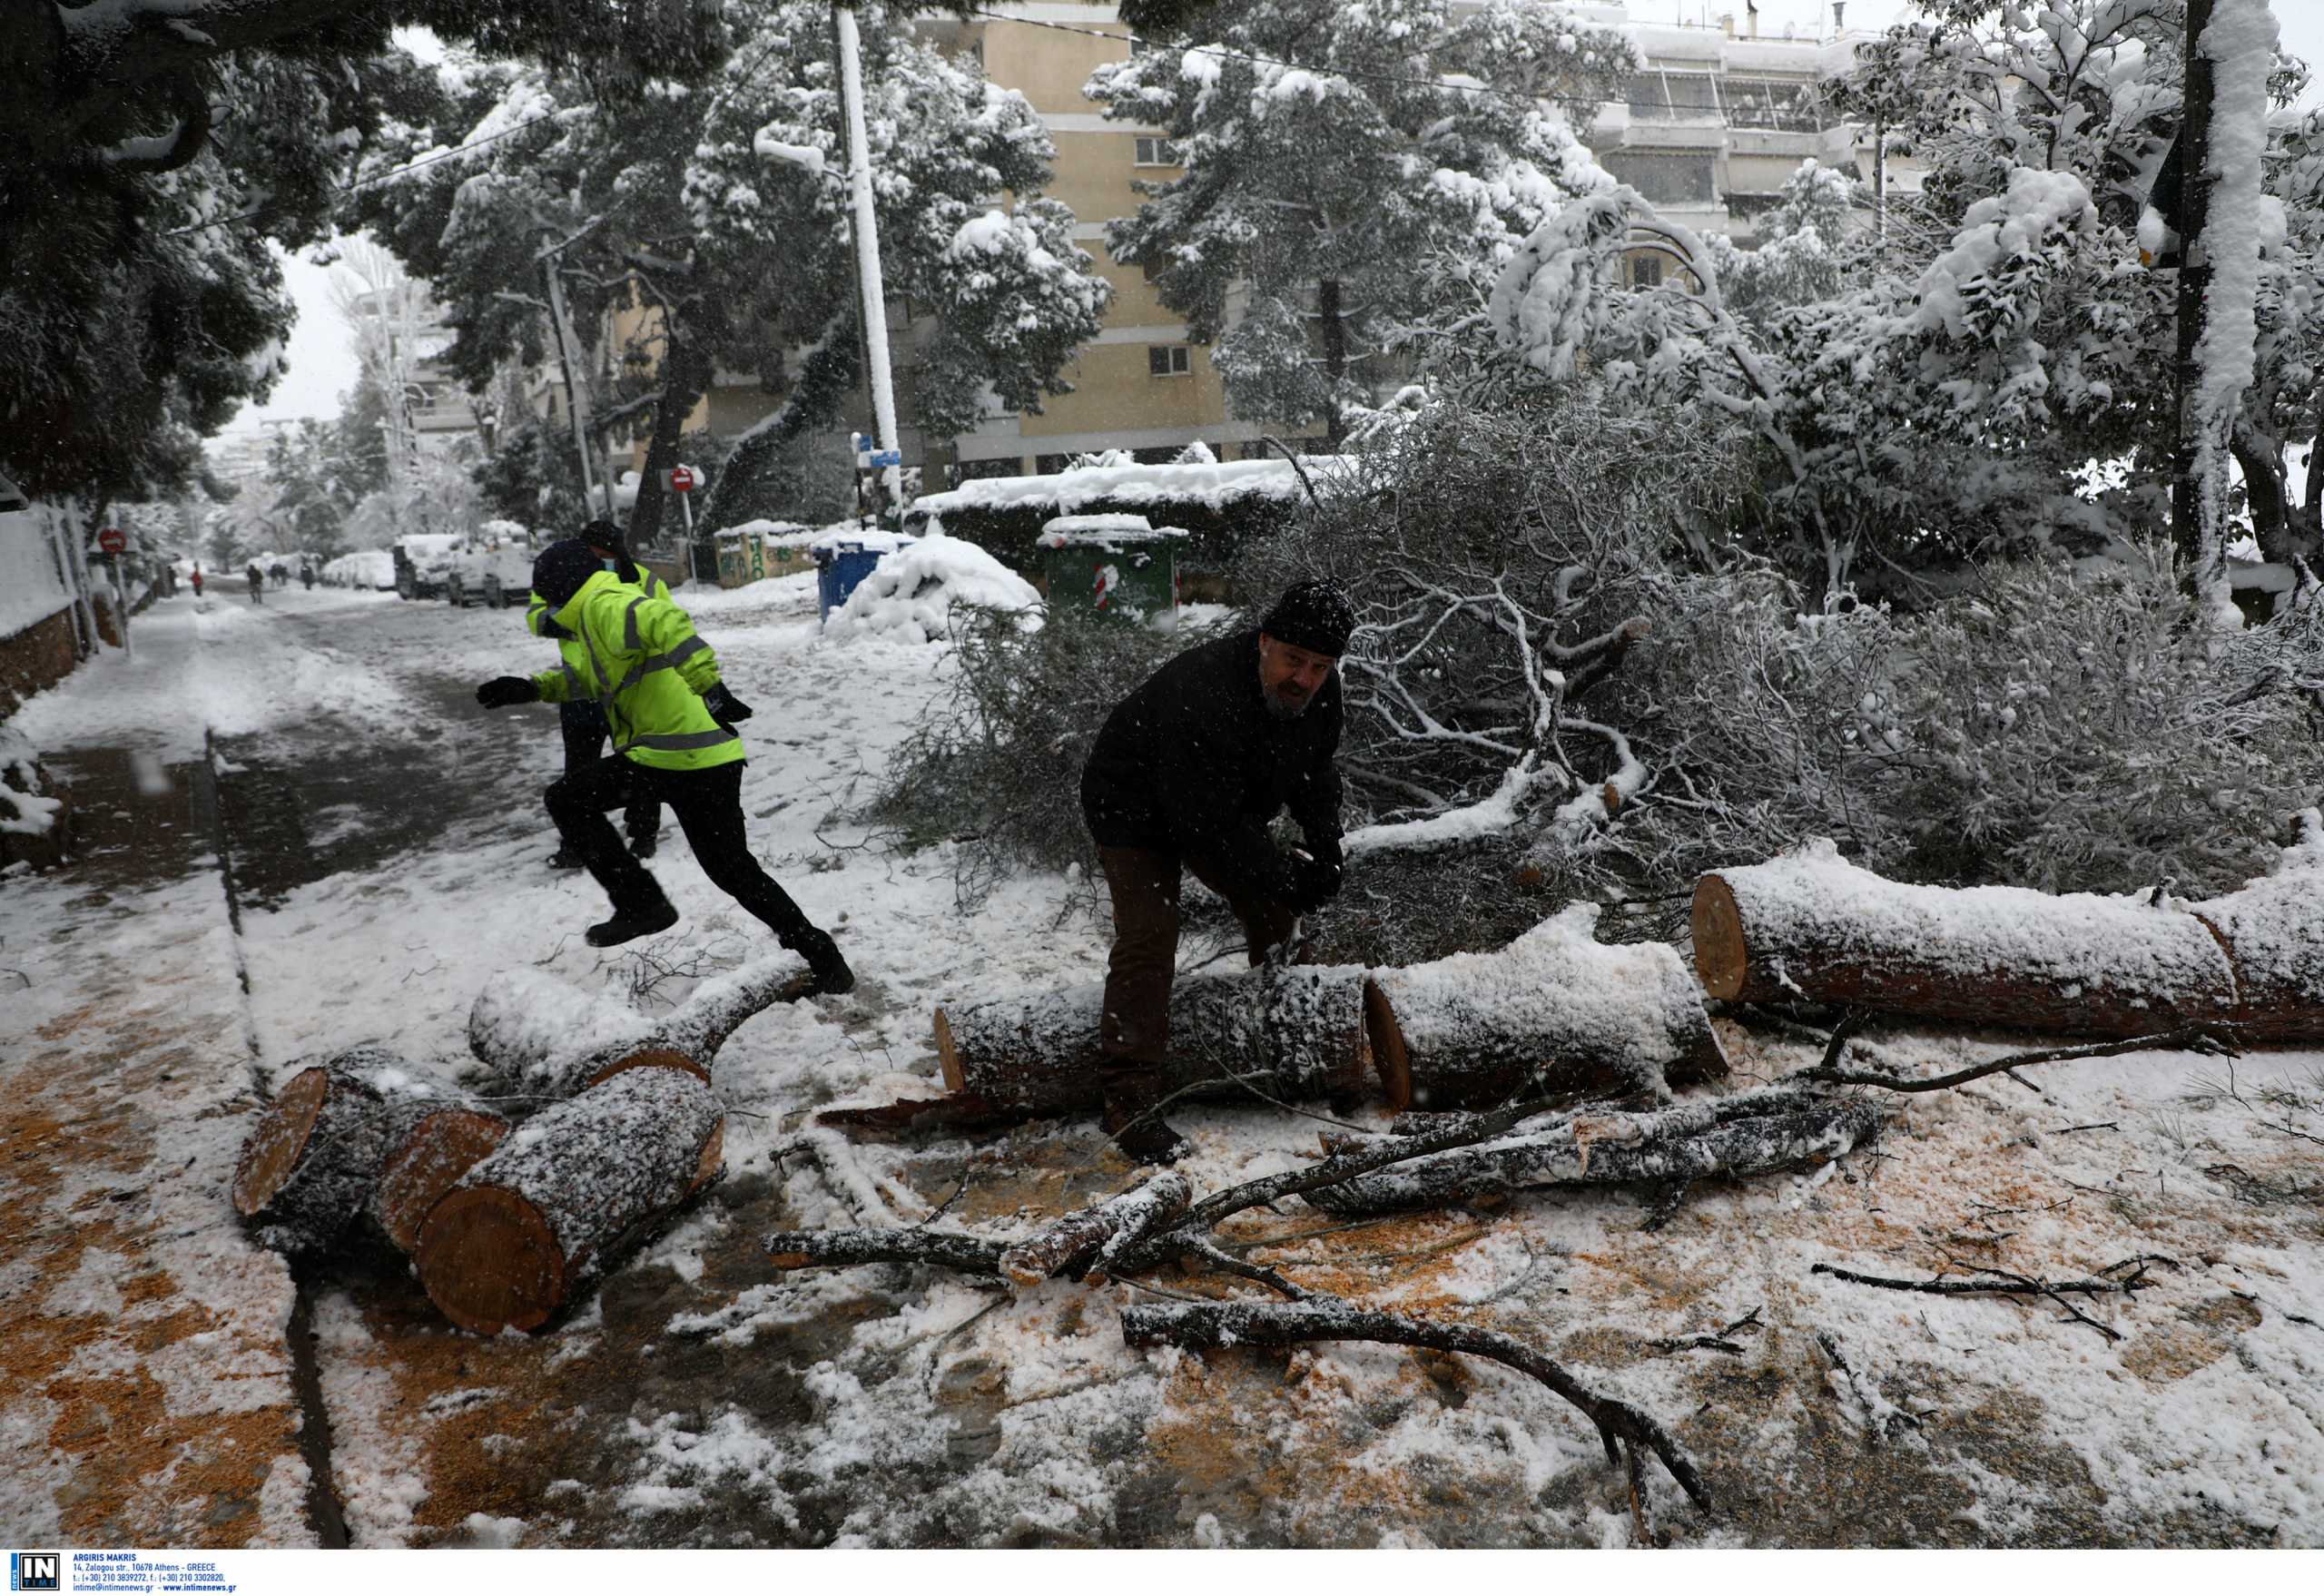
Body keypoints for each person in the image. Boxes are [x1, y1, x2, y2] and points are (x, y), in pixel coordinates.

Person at [475, 538, 855, 992]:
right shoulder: (596, 617)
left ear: (558, 588)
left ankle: (640, 903)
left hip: (670, 754)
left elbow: (665, 619)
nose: (543, 607)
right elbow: (592, 681)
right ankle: (825, 961)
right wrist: (530, 688)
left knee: (567, 800)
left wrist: (709, 686)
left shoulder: (604, 604)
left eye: (544, 595)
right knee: (734, 872)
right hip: (707, 757)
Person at [1078, 579, 1355, 1162]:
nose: (1302, 678)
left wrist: (1327, 850)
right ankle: (1129, 1104)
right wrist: (1279, 870)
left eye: (1319, 666)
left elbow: (1313, 774)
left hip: (1218, 803)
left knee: (1277, 911)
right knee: (1150, 937)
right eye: (1293, 659)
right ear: (1263, 643)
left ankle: (1302, 1050)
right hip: (1132, 802)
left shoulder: (1320, 698)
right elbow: (1206, 830)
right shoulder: (1205, 694)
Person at [525, 519, 665, 866]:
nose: (600, 560)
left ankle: (644, 836)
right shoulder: (563, 574)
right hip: (581, 690)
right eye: (594, 554)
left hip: (629, 690)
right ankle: (578, 845)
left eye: (605, 554)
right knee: (578, 772)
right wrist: (565, 620)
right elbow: (536, 615)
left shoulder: (644, 579)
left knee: (640, 763)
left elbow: (665, 622)